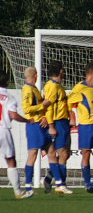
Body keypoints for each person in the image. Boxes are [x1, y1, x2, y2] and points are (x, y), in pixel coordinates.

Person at [68, 62, 93, 193]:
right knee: (86, 154)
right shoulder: (79, 88)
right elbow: (69, 103)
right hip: (85, 126)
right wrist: (72, 117)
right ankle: (88, 183)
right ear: (91, 73)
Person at [0, 69, 34, 199]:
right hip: (3, 130)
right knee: (10, 161)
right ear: (7, 82)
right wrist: (27, 120)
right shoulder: (9, 97)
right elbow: (13, 115)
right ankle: (18, 191)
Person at [43, 61, 73, 194]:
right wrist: (51, 126)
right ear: (61, 71)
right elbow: (48, 106)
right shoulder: (52, 87)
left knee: (65, 153)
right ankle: (61, 184)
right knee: (61, 153)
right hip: (57, 123)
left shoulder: (57, 86)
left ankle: (50, 178)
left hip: (63, 122)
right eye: (63, 70)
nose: (65, 72)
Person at [22, 66, 51, 196]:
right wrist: (43, 105)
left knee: (52, 151)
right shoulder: (27, 89)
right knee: (33, 154)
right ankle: (28, 187)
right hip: (34, 126)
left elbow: (38, 109)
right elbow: (27, 109)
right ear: (36, 76)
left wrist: (44, 116)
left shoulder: (34, 89)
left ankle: (52, 181)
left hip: (41, 124)